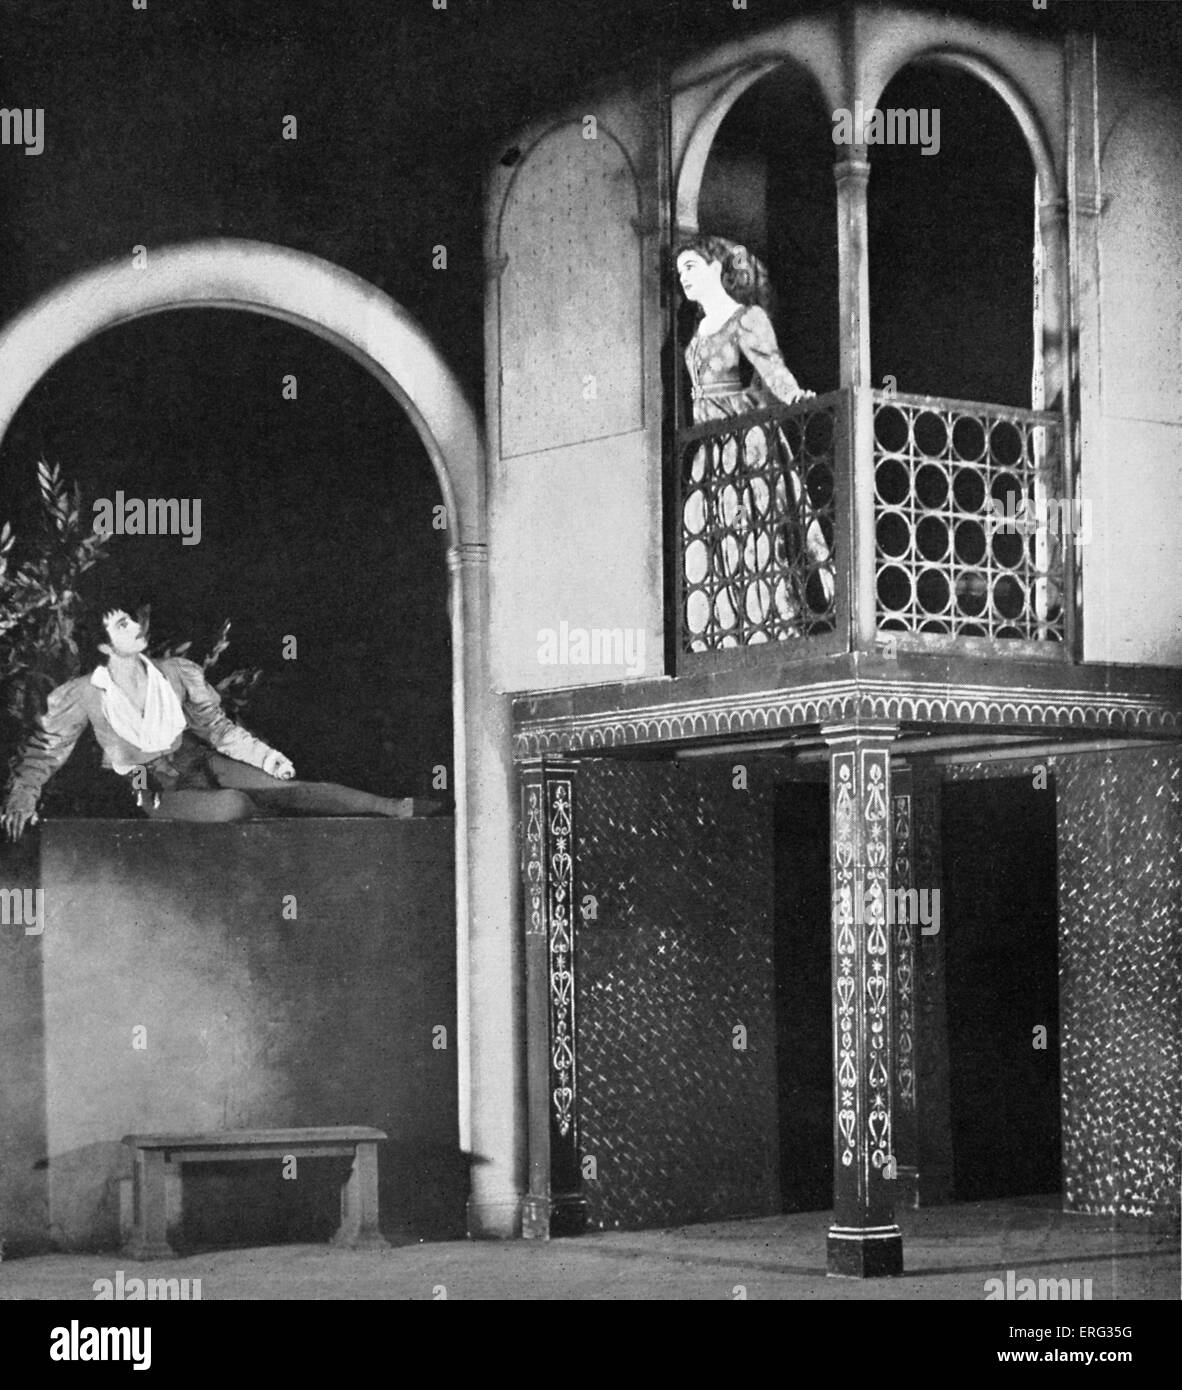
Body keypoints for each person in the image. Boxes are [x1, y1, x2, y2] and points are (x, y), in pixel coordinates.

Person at [1, 599, 436, 840]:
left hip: (198, 760)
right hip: (148, 789)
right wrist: (23, 796)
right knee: (236, 804)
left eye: (132, 618)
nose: (134, 625)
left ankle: (396, 808)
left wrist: (267, 759)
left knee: (286, 787)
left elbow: (217, 729)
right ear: (103, 645)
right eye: (120, 624)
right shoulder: (81, 694)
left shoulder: (175, 673)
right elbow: (44, 750)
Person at [676, 234, 834, 650]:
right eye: (679, 272)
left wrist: (795, 396)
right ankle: (720, 633)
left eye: (691, 267)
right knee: (709, 537)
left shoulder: (747, 318)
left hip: (745, 445)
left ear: (715, 268)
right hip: (709, 452)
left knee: (754, 537)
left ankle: (766, 627)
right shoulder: (698, 330)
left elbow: (774, 371)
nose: (684, 278)